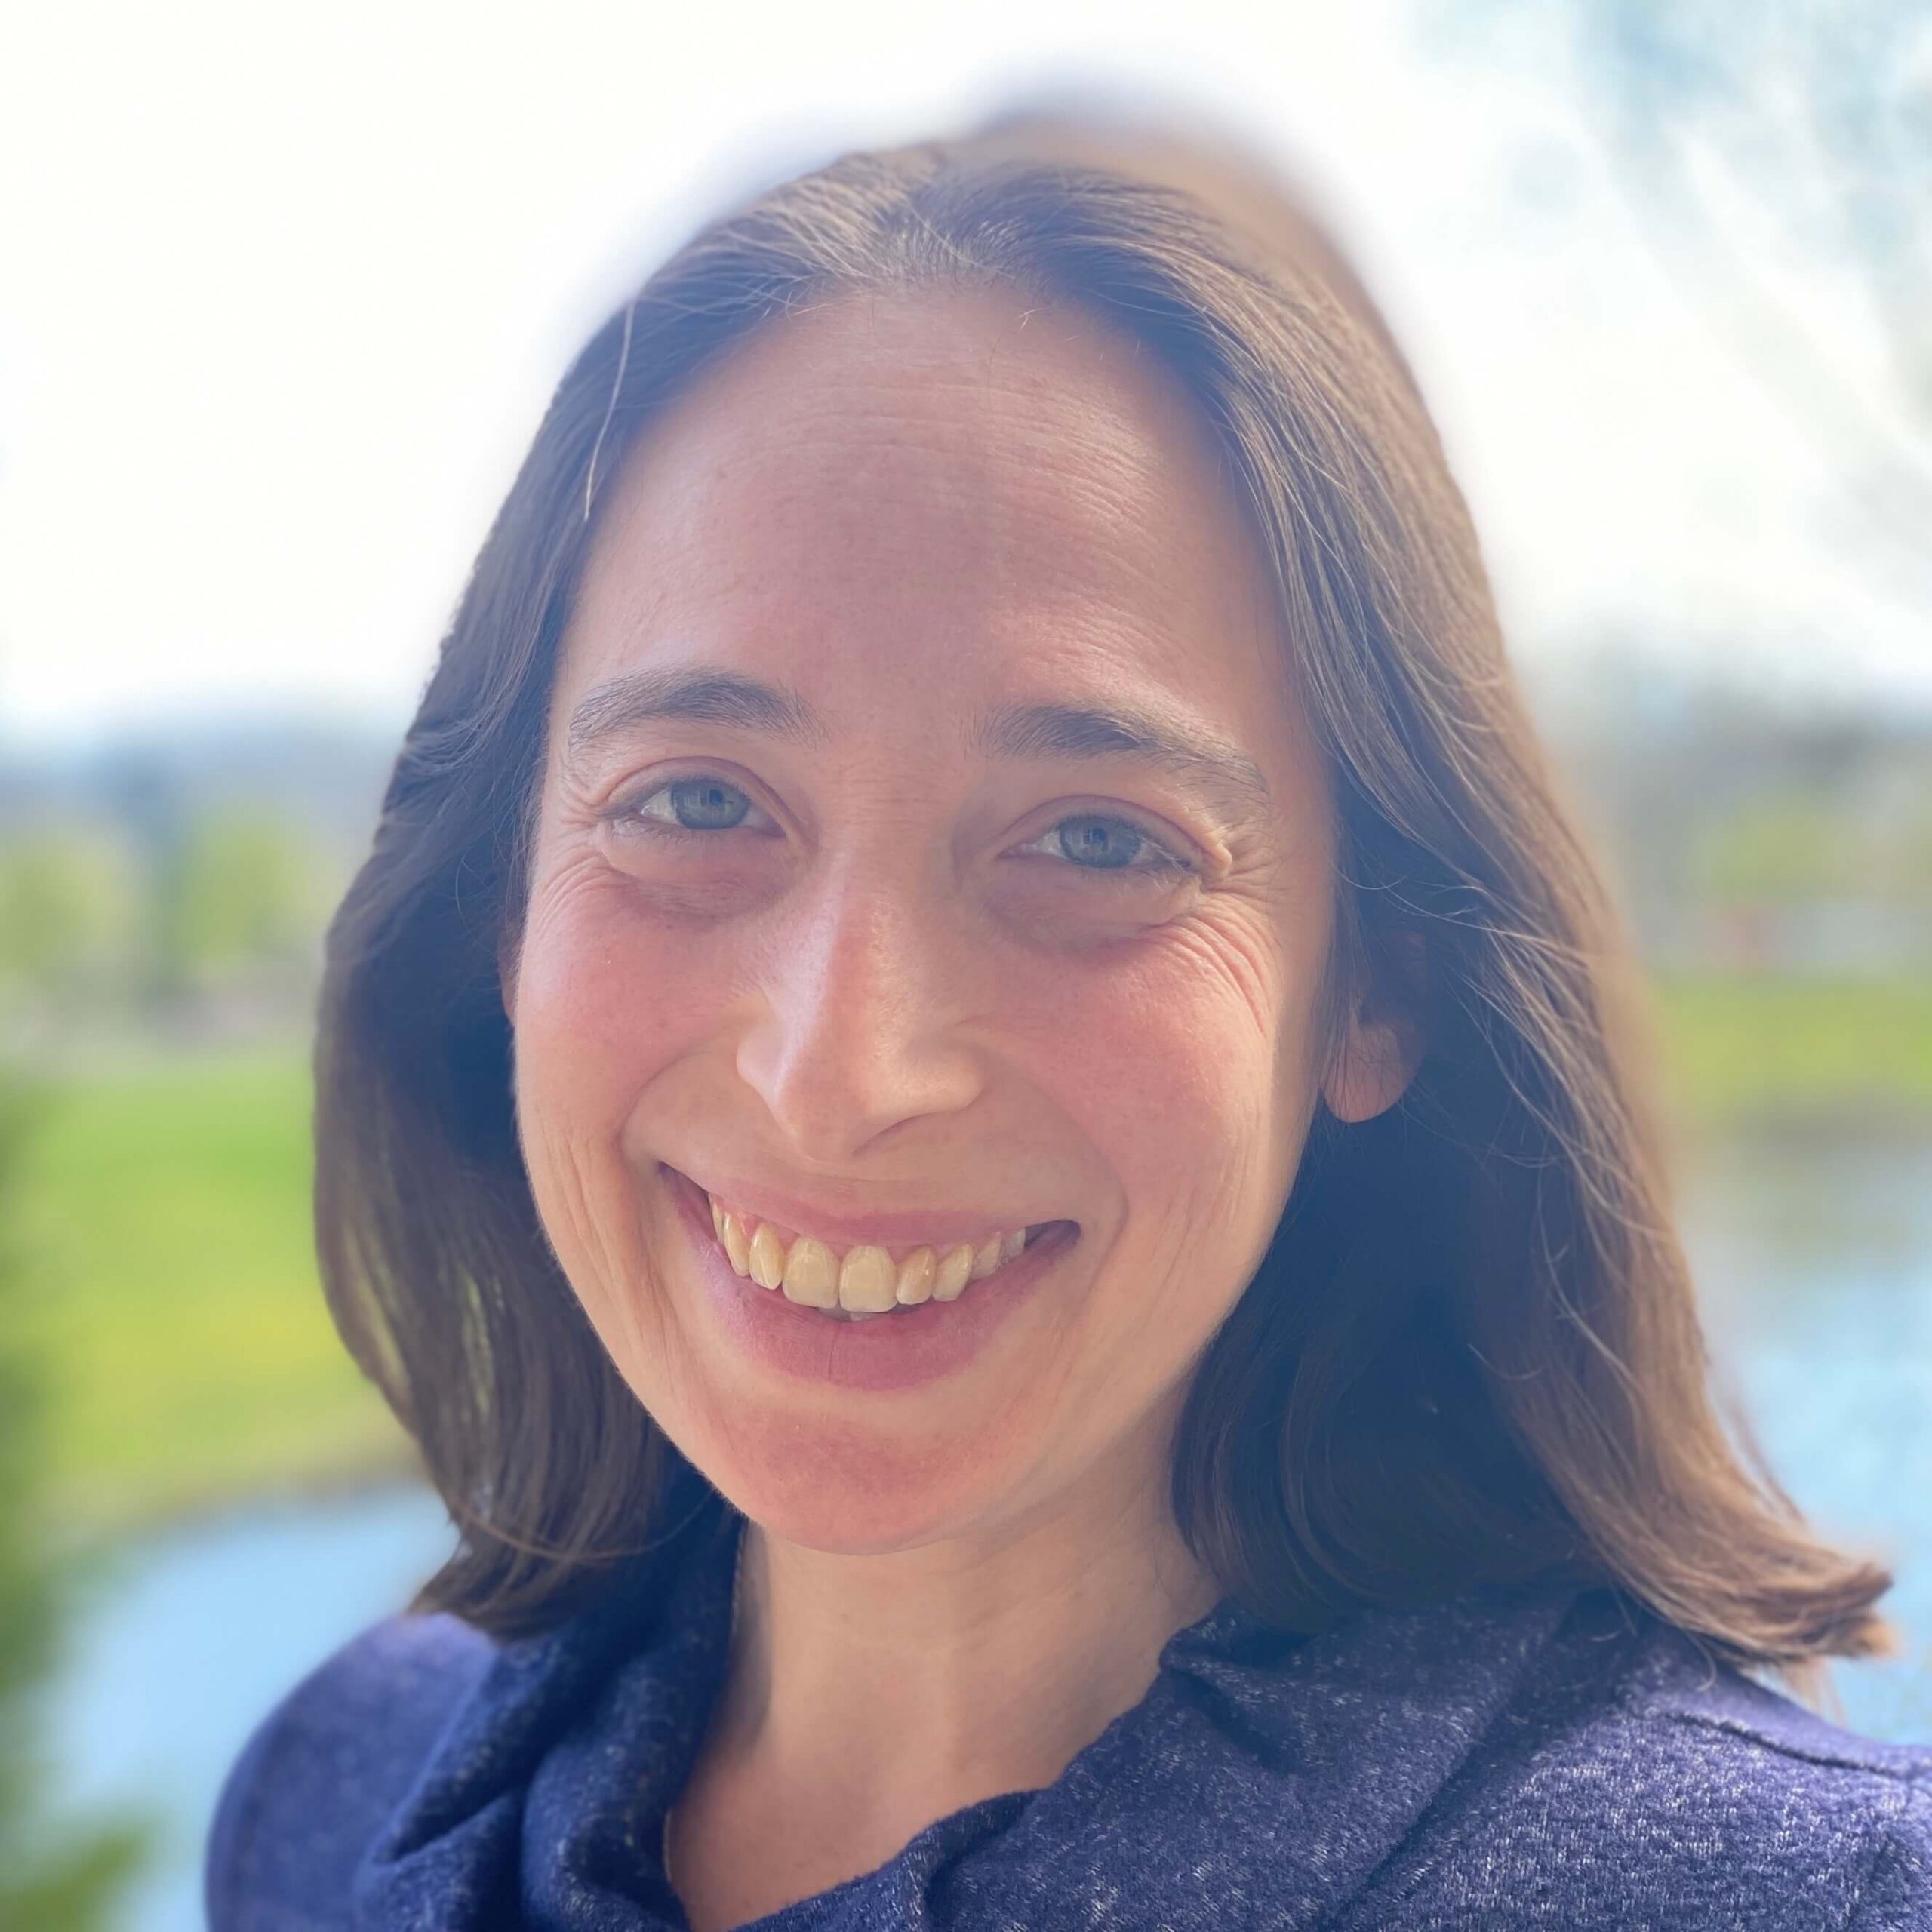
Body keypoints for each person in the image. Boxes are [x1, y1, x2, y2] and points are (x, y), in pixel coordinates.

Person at [204, 103, 1932, 1931]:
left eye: (1097, 839)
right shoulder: (335, 1798)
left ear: (1378, 980)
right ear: (499, 898)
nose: (837, 1068)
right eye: (698, 801)